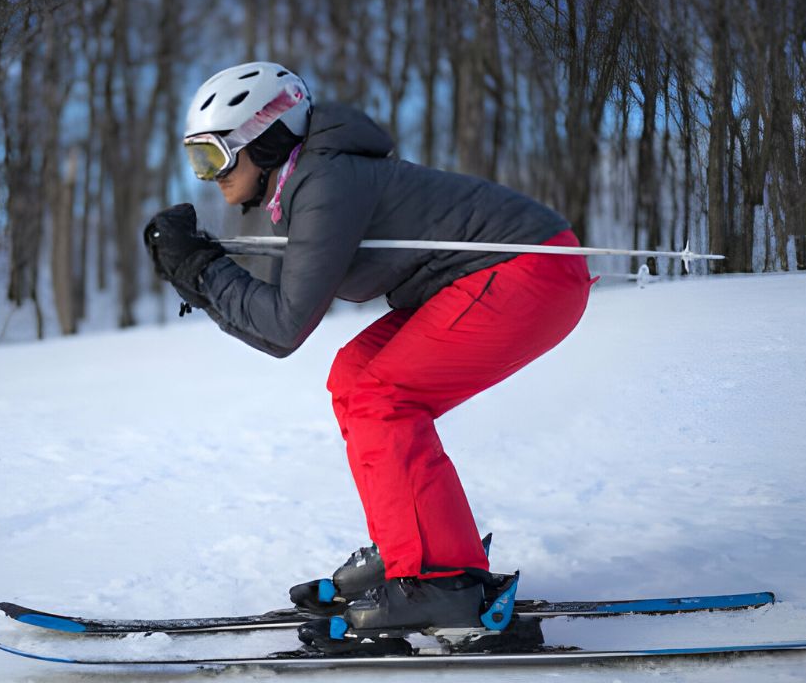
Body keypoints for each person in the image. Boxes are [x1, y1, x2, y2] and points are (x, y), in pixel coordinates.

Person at [144, 62, 595, 638]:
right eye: (195, 160)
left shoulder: (325, 181)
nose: (207, 177)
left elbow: (283, 326)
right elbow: (277, 328)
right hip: (505, 275)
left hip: (529, 272)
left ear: (261, 138)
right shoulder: (316, 180)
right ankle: (414, 548)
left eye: (211, 157)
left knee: (384, 395)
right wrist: (199, 278)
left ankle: (436, 580)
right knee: (356, 376)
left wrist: (204, 271)